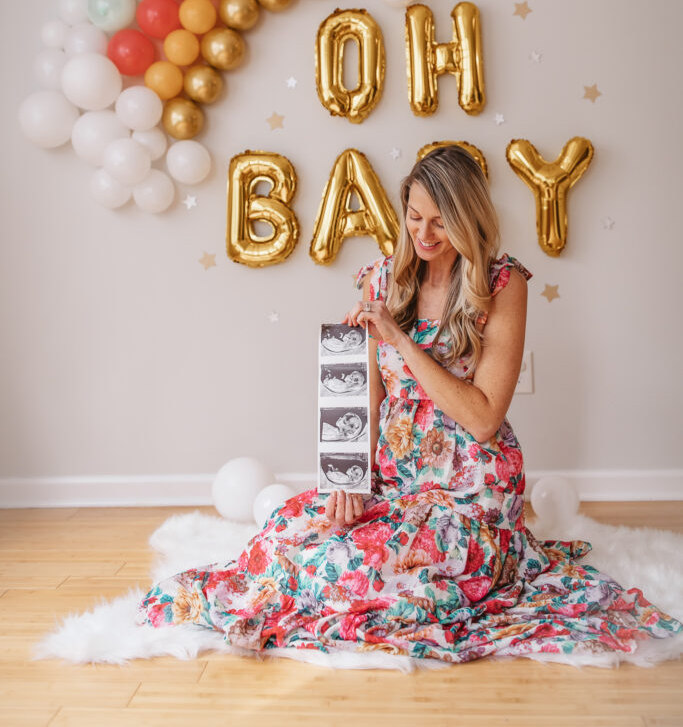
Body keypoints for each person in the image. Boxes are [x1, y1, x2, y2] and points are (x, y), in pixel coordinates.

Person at [136, 145, 682, 664]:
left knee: (372, 567)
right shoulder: (381, 280)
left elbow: (484, 416)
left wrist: (401, 341)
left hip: (471, 489)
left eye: (440, 221)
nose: (423, 234)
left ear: (467, 218)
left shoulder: (501, 282)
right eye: (414, 217)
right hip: (397, 479)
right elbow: (368, 397)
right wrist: (349, 478)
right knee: (291, 530)